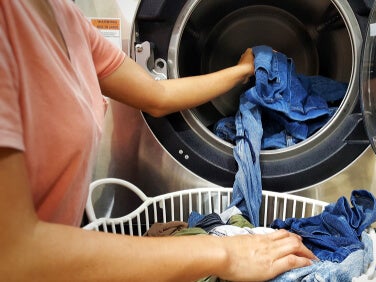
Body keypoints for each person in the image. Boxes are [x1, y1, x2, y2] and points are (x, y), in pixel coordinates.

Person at [0, 0, 317, 281]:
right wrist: (227, 253)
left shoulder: (62, 15)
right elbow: (12, 255)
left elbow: (156, 95)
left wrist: (243, 70)